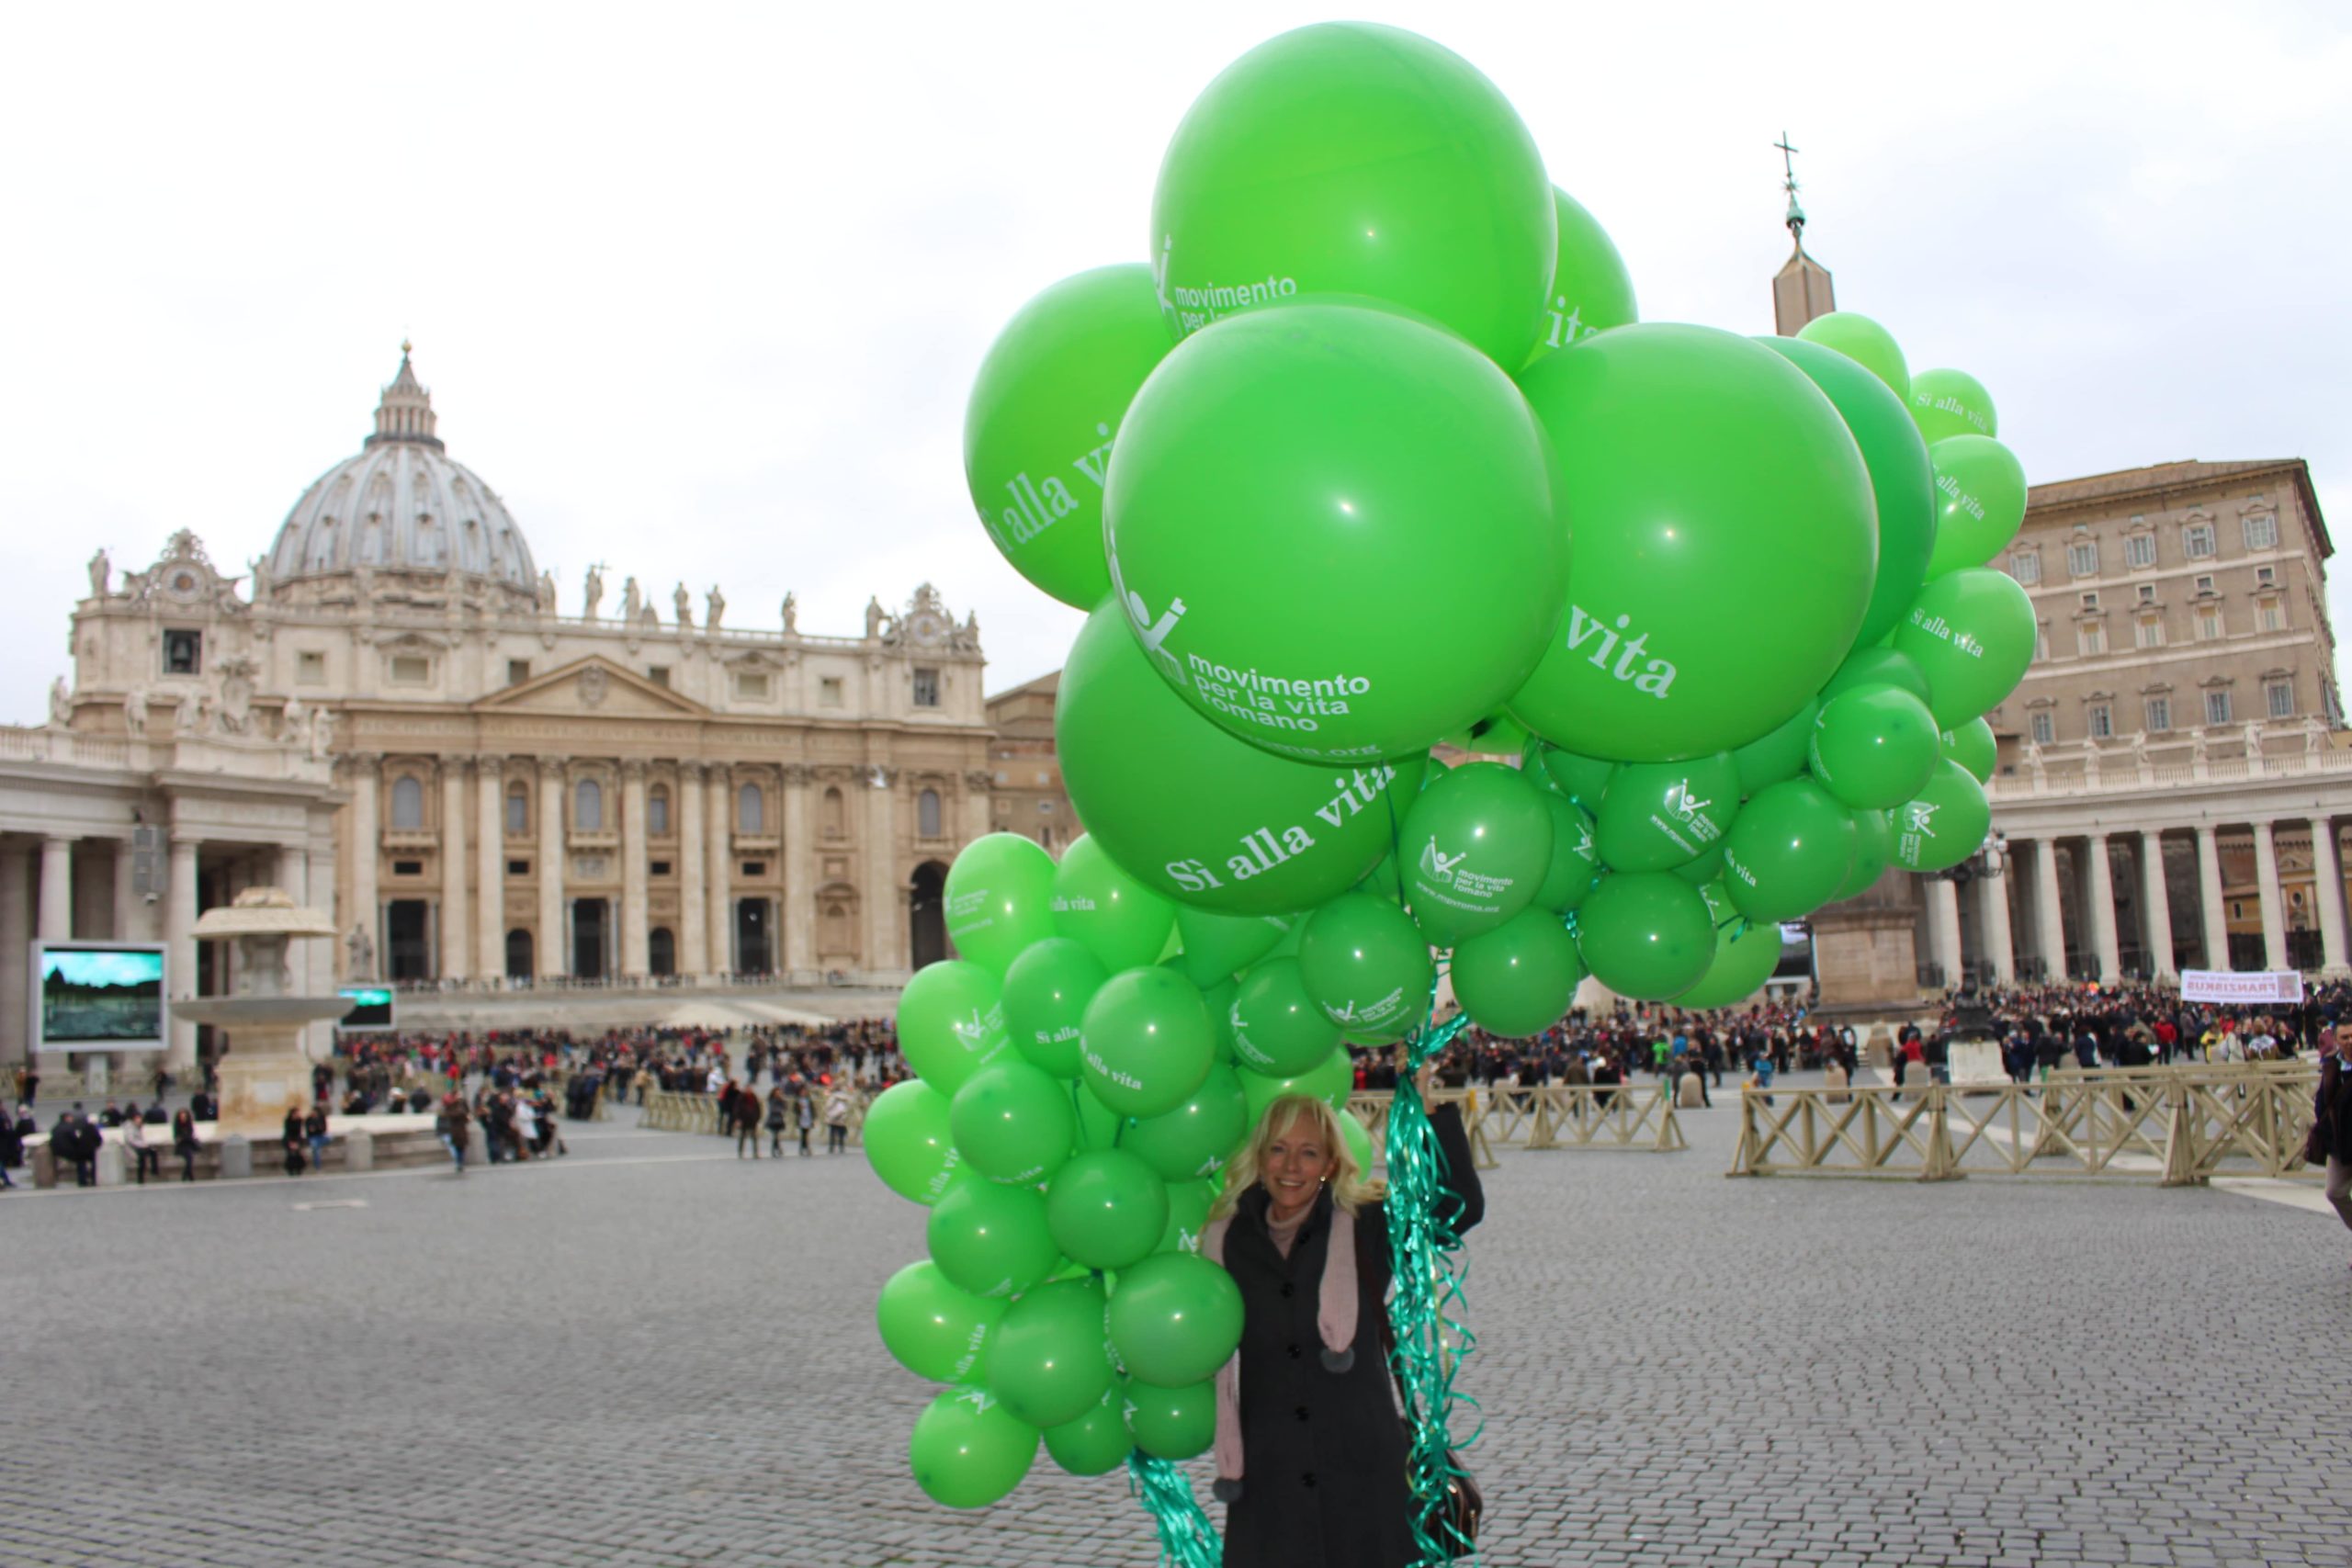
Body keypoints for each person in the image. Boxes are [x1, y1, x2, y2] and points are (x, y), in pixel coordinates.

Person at [1202, 1067, 1483, 1567]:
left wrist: (1425, 1111)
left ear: (1330, 1163)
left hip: (1365, 1475)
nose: (1292, 1166)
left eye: (1309, 1152)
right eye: (1278, 1149)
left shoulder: (1366, 1224)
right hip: (1271, 1481)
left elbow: (1457, 1207)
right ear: (1259, 1156)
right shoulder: (1227, 1240)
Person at [2317, 1027, 2352, 1265]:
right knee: (2334, 1191)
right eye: (2345, 1037)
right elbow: (2322, 1102)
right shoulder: (2332, 1065)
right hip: (2341, 1142)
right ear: (2337, 1040)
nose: (2350, 1041)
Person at [436, 1095, 470, 1176]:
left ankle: (459, 1162)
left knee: (458, 1149)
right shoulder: (456, 1111)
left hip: (455, 1132)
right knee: (458, 1149)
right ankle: (459, 1162)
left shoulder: (449, 1110)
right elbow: (465, 1118)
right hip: (457, 1132)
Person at [124, 1110, 160, 1185]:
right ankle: (140, 1178)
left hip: (140, 1146)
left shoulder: (139, 1126)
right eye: (137, 1118)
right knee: (141, 1157)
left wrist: (145, 1145)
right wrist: (142, 1145)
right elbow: (131, 1140)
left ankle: (154, 1171)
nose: (139, 1120)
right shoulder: (130, 1127)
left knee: (153, 1151)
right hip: (132, 1148)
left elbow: (141, 1139)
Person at [733, 1084, 763, 1159]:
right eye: (748, 1089)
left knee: (754, 1137)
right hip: (744, 1120)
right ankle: (740, 1152)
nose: (749, 1090)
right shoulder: (741, 1098)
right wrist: (738, 1119)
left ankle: (755, 1152)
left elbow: (758, 1108)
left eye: (750, 1089)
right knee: (742, 1137)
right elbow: (737, 1109)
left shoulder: (754, 1097)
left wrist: (757, 1118)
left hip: (752, 1120)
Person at [172, 1109, 199, 1182]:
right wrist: (185, 1137)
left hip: (189, 1145)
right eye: (182, 1117)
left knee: (189, 1158)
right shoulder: (177, 1126)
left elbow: (189, 1135)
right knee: (189, 1158)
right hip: (181, 1146)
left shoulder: (189, 1125)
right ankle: (189, 1176)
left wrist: (184, 1137)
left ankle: (186, 1176)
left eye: (184, 1117)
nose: (183, 1118)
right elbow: (177, 1137)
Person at [824, 1081, 852, 1154]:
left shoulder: (832, 1097)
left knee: (832, 1133)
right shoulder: (845, 1096)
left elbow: (828, 1106)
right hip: (842, 1117)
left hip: (833, 1117)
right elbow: (849, 1105)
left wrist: (828, 1114)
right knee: (841, 1133)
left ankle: (832, 1146)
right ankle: (841, 1146)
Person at [304, 1103, 330, 1174]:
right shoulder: (309, 1119)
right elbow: (309, 1131)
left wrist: (316, 1128)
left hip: (320, 1136)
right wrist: (317, 1128)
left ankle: (313, 1148)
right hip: (313, 1137)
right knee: (316, 1150)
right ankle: (318, 1168)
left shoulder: (322, 1117)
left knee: (330, 1138)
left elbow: (323, 1129)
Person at [764, 1084, 789, 1158]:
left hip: (779, 1119)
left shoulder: (781, 1100)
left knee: (777, 1135)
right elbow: (773, 1109)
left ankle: (777, 1149)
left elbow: (785, 1107)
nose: (778, 1094)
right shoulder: (771, 1100)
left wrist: (783, 1101)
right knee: (775, 1135)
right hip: (773, 1119)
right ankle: (776, 1149)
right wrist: (780, 1110)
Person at [0, 1104, 21, 1190]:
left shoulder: (3, 1116)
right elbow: (5, 1131)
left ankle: (5, 1180)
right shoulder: (2, 1118)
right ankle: (5, 1180)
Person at [282, 1107, 307, 1177]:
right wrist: (291, 1142)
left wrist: (297, 1142)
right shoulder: (288, 1120)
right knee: (290, 1153)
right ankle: (290, 1169)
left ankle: (299, 1169)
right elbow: (287, 1132)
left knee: (298, 1153)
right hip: (289, 1139)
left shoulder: (300, 1121)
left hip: (297, 1139)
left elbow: (299, 1132)